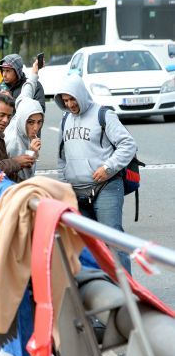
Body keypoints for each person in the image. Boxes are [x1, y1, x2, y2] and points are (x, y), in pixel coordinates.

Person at [55, 73, 137, 271]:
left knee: (113, 239)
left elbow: (128, 144)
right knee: (87, 246)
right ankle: (103, 290)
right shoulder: (65, 119)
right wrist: (64, 185)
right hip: (77, 191)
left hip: (106, 186)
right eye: (65, 101)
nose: (69, 104)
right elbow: (61, 157)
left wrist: (108, 168)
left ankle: (127, 290)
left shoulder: (104, 114)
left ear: (81, 94)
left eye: (72, 99)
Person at [4, 60, 43, 181]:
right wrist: (32, 153)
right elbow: (23, 177)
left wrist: (35, 72)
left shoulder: (22, 105)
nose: (36, 128)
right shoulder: (14, 143)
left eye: (39, 122)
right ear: (23, 119)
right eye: (30, 122)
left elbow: (28, 89)